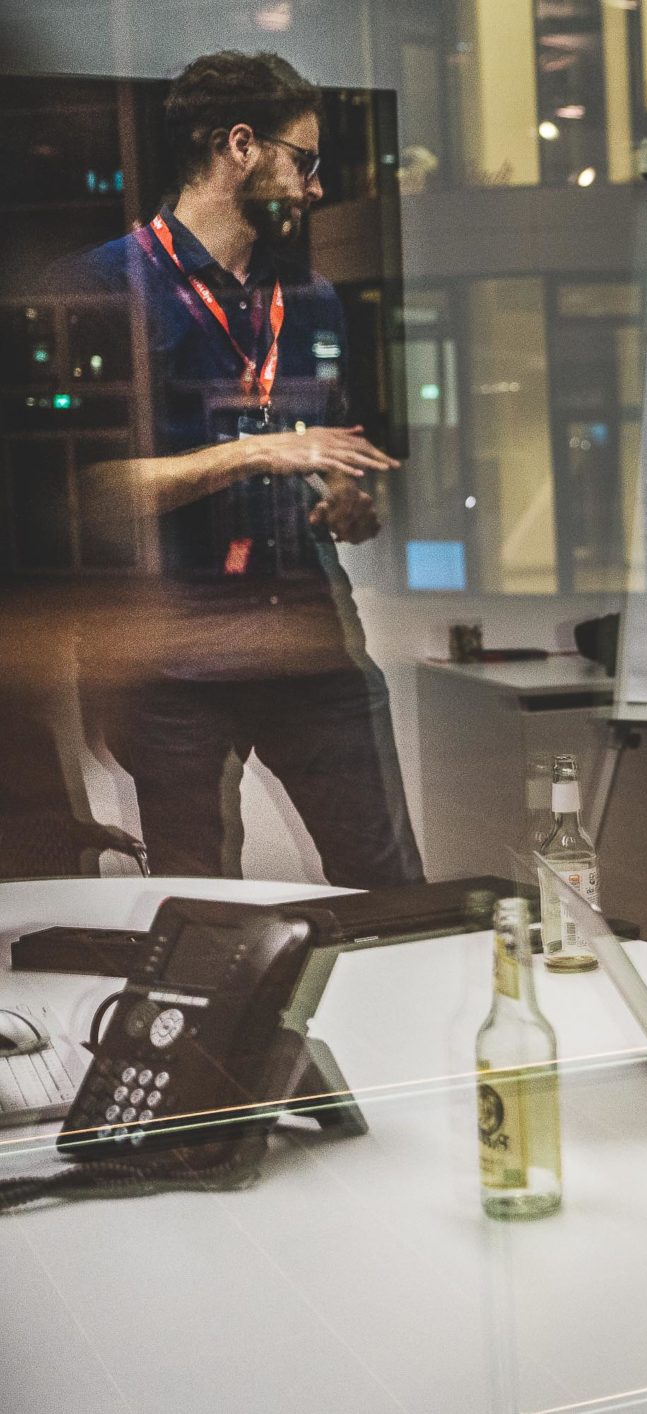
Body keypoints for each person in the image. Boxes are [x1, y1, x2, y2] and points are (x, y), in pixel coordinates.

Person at [46, 51, 420, 887]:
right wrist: (256, 451)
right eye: (304, 161)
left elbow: (325, 450)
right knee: (202, 905)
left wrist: (347, 495)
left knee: (389, 886)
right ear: (240, 146)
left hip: (309, 640)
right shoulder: (100, 290)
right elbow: (83, 492)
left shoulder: (312, 299)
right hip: (170, 659)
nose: (316, 188)